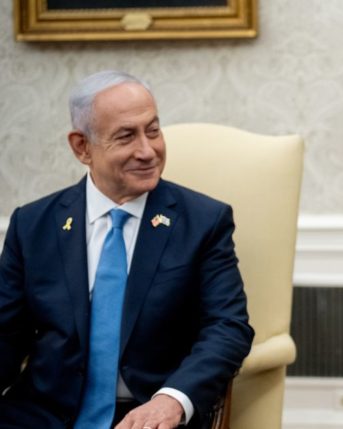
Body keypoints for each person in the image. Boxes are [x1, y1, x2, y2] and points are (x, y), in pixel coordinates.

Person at [0, 71, 254, 429]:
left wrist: (172, 400)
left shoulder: (203, 222)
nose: (148, 151)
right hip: (43, 414)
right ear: (81, 147)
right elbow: (7, 334)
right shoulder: (33, 224)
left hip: (149, 414)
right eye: (126, 136)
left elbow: (228, 327)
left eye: (153, 130)